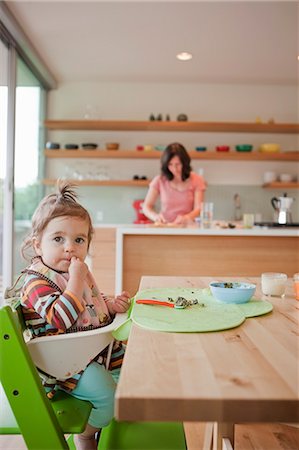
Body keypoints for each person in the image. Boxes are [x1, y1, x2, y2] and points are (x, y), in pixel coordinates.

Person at [19, 180, 130, 450]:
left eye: (79, 240)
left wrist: (109, 304)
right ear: (38, 245)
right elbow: (61, 317)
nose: (70, 247)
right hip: (64, 363)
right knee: (110, 396)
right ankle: (86, 435)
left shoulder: (71, 274)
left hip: (88, 350)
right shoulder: (36, 283)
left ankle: (115, 423)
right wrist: (76, 281)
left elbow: (86, 304)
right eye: (58, 239)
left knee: (131, 371)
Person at [142, 142, 206, 224]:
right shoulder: (159, 180)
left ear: (185, 163)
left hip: (188, 227)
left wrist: (186, 218)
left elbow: (198, 208)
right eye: (170, 165)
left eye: (178, 164)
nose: (174, 169)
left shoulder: (197, 179)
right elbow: (146, 207)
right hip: (165, 226)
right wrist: (156, 217)